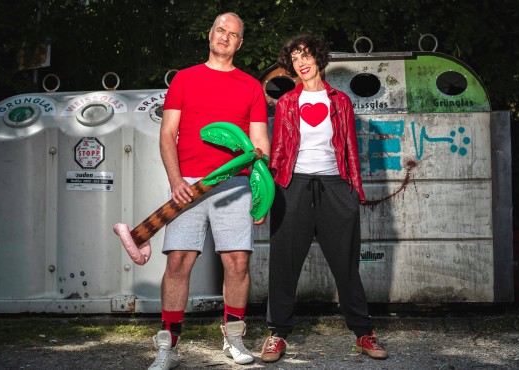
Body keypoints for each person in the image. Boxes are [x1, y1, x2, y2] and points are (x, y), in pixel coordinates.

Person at [260, 33, 389, 363]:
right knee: (284, 263)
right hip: (292, 187)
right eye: (295, 58)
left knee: (346, 264)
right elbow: (276, 154)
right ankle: (277, 334)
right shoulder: (288, 102)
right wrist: (265, 195)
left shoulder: (340, 102)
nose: (301, 62)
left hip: (335, 187)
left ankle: (363, 333)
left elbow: (350, 150)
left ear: (318, 58)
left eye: (306, 55)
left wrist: (353, 192)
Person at [152, 12, 270, 370]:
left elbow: (259, 142)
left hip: (234, 186)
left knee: (237, 262)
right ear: (210, 34)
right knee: (178, 261)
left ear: (239, 43)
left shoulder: (251, 87)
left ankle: (233, 339)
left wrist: (260, 191)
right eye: (221, 30)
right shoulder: (185, 80)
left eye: (233, 34)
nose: (225, 37)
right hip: (188, 182)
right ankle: (168, 344)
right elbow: (167, 134)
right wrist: (175, 181)